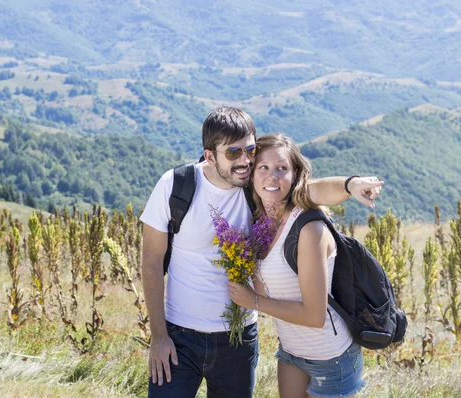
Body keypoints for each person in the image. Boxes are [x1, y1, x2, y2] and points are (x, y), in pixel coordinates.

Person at [141, 108, 381, 398]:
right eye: (233, 153)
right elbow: (152, 261)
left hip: (238, 340)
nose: (245, 161)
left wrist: (350, 185)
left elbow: (311, 190)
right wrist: (158, 336)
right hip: (178, 336)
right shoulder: (176, 186)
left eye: (250, 150)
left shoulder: (256, 192)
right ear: (209, 156)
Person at [228, 133, 368, 398]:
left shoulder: (308, 228)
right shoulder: (260, 222)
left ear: (295, 175)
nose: (273, 176)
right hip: (291, 352)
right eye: (264, 168)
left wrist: (253, 301)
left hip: (331, 357)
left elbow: (314, 316)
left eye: (282, 168)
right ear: (252, 175)